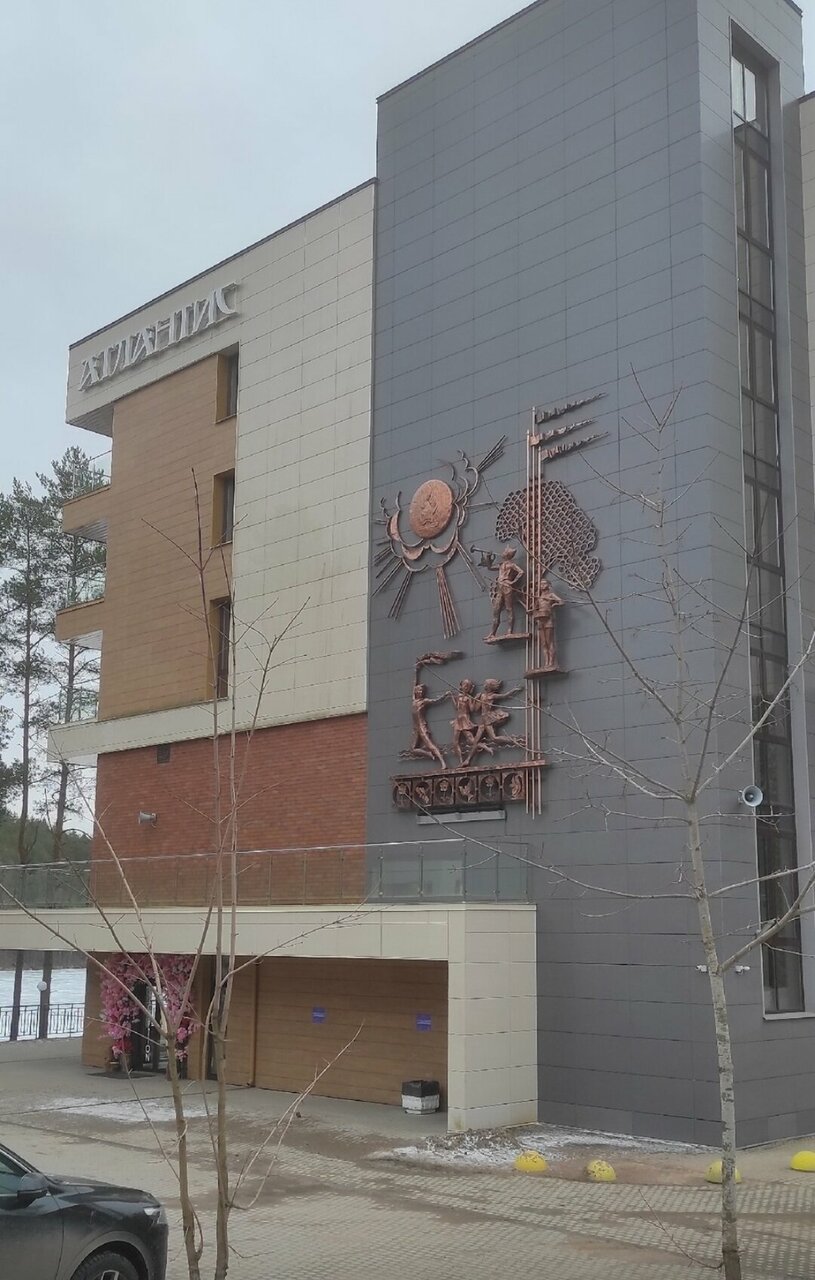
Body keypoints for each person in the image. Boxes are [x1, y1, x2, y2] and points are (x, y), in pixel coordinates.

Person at [464, 679, 524, 765]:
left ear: (489, 686)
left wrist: (514, 690)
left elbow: (504, 696)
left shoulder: (493, 696)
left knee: (494, 738)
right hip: (482, 720)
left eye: (485, 684)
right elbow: (476, 709)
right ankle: (468, 760)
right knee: (476, 741)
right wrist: (476, 699)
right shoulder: (482, 696)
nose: (484, 685)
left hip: (488, 719)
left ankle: (514, 740)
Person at [486, 546, 525, 638]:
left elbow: (521, 572)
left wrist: (513, 582)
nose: (502, 553)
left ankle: (509, 631)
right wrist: (488, 557)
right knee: (496, 609)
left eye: (504, 552)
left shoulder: (511, 565)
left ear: (507, 554)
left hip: (507, 586)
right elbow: (490, 567)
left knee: (509, 608)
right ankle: (492, 633)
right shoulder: (501, 565)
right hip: (500, 587)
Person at [408, 684, 447, 768]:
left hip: (422, 726)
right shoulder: (414, 700)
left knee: (430, 745)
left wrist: (445, 695)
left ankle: (443, 762)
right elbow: (413, 685)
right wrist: (416, 675)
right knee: (412, 749)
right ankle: (428, 754)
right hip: (416, 728)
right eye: (419, 690)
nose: (421, 692)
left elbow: (435, 701)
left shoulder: (424, 701)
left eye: (422, 691)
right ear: (415, 691)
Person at [531, 577, 563, 671]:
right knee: (544, 643)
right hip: (540, 620)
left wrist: (554, 604)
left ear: (548, 585)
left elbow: (561, 602)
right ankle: (546, 662)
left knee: (550, 642)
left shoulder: (551, 595)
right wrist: (533, 611)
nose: (542, 586)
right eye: (541, 584)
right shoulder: (539, 597)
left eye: (544, 584)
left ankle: (551, 663)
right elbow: (535, 608)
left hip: (548, 619)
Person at [448, 678, 479, 767]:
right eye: (464, 685)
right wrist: (452, 696)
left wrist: (475, 699)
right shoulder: (458, 696)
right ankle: (461, 760)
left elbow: (472, 709)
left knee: (471, 740)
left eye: (468, 686)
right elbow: (456, 707)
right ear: (461, 686)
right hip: (458, 720)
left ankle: (480, 745)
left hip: (465, 719)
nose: (465, 687)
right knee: (455, 742)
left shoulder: (468, 698)